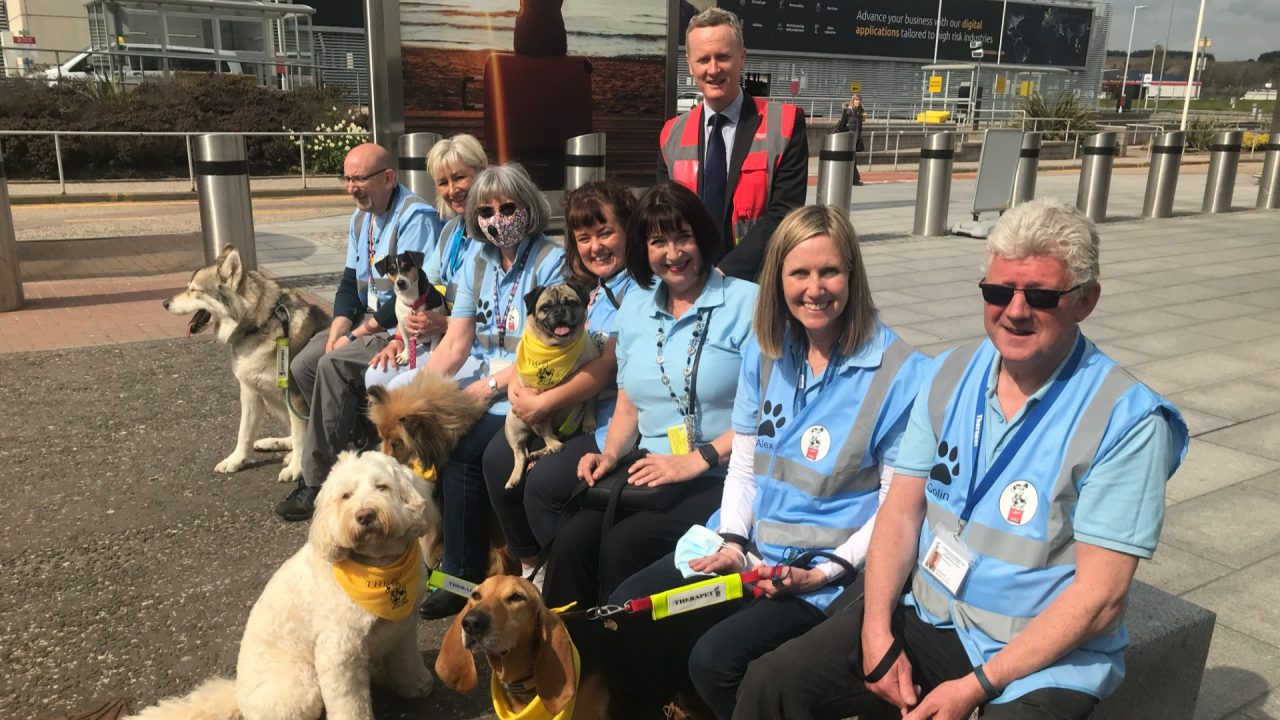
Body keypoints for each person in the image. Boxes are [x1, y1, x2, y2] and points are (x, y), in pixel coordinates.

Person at [734, 198, 1189, 720]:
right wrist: (876, 627)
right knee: (771, 684)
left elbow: (1101, 598)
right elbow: (901, 511)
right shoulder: (948, 373)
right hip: (932, 611)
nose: (1015, 310)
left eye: (1041, 295)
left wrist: (974, 687)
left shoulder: (1128, 420)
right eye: (999, 291)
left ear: (1085, 301)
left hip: (1036, 655)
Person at [605, 205, 928, 720]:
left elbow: (897, 507)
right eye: (799, 273)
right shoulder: (768, 350)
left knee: (717, 660)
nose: (815, 289)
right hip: (747, 548)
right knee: (631, 610)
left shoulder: (903, 372)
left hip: (825, 573)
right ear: (777, 279)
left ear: (853, 275)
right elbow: (745, 466)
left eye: (830, 271)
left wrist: (825, 572)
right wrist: (733, 541)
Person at [538, 181, 758, 610]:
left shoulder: (745, 303)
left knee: (624, 547)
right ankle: (568, 658)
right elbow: (627, 402)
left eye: (683, 237)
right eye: (658, 241)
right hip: (646, 472)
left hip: (719, 474)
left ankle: (628, 667)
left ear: (704, 237)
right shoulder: (637, 307)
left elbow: (771, 413)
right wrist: (611, 454)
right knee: (570, 540)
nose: (673, 254)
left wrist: (696, 460)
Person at [416, 163, 566, 620]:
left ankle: (458, 575)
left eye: (507, 208)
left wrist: (487, 387)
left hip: (529, 381)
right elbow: (457, 341)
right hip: (481, 376)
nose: (496, 219)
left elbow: (543, 344)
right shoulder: (477, 259)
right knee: (424, 435)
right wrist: (422, 394)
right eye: (485, 210)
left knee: (464, 452)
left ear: (528, 207)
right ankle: (444, 553)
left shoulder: (549, 259)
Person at [481, 181, 639, 582]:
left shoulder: (638, 290)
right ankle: (533, 565)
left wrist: (543, 406)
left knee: (545, 484)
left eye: (605, 233)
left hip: (604, 416)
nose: (595, 247)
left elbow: (605, 369)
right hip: (554, 407)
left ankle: (571, 583)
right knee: (496, 458)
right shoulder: (591, 290)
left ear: (629, 231)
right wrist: (515, 387)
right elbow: (534, 345)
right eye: (584, 238)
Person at [275, 143, 442, 522]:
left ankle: (316, 481)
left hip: (399, 324)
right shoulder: (360, 217)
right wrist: (338, 326)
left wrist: (359, 332)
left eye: (360, 179)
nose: (352, 187)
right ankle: (357, 450)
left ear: (387, 178)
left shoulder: (415, 216)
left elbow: (414, 289)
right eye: (347, 179)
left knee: (333, 364)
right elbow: (350, 282)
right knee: (303, 363)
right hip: (368, 320)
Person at [658, 7, 808, 281]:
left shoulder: (785, 124)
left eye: (723, 57)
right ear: (690, 65)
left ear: (742, 58)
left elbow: (785, 214)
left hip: (758, 284)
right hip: (692, 281)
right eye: (703, 59)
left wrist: (723, 273)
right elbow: (665, 215)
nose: (713, 69)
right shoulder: (670, 134)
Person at [364, 133, 488, 389]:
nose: (452, 190)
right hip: (442, 338)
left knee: (397, 388)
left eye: (459, 177)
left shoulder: (494, 236)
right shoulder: (451, 230)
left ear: (482, 173)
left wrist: (444, 323)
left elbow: (495, 315)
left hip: (476, 346)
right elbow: (421, 285)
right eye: (443, 182)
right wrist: (400, 336)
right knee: (377, 375)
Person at [835, 94, 866, 186]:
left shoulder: (860, 112)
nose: (858, 102)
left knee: (851, 159)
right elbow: (842, 126)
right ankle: (854, 180)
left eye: (859, 100)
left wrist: (858, 138)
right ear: (852, 100)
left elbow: (859, 128)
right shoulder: (848, 111)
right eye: (856, 100)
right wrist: (848, 135)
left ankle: (850, 179)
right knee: (852, 159)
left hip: (855, 139)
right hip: (848, 139)